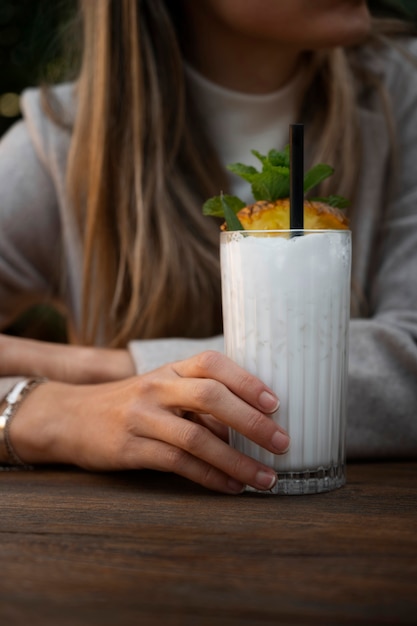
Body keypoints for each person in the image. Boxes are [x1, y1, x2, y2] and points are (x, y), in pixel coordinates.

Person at [0, 0, 416, 491]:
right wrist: (48, 414)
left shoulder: (402, 95)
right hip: (140, 550)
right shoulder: (62, 147)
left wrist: (103, 367)